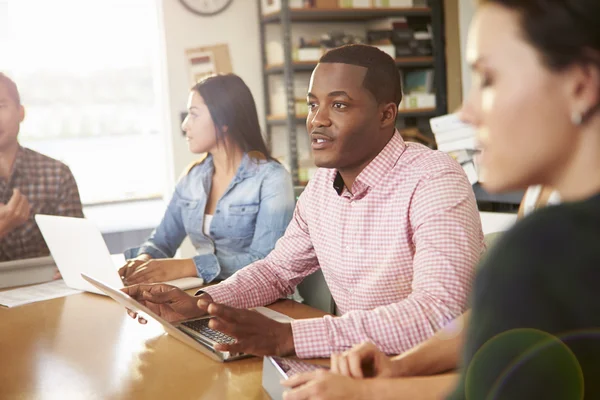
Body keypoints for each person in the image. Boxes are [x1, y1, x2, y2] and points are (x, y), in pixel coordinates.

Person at [283, 0, 600, 398]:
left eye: (488, 79)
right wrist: (400, 368)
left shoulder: (533, 247)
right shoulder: (547, 218)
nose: (466, 113)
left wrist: (364, 392)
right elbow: (487, 335)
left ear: (581, 85)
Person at [123, 44, 484, 359]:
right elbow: (276, 271)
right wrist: (202, 302)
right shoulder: (322, 185)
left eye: (339, 105)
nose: (316, 120)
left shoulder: (434, 179)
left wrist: (291, 337)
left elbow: (441, 314)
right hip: (358, 362)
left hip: (436, 371)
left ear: (386, 114)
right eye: (313, 104)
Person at [119, 74, 294, 285]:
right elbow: (162, 241)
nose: (185, 125)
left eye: (194, 114)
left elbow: (266, 262)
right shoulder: (192, 178)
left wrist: (188, 266)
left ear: (224, 120)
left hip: (265, 302)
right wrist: (143, 260)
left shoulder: (272, 178)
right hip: (208, 296)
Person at [0, 73, 83, 262]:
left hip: (49, 288)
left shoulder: (56, 175)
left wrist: (73, 263)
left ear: (21, 112)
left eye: (0, 106)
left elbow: (78, 252)